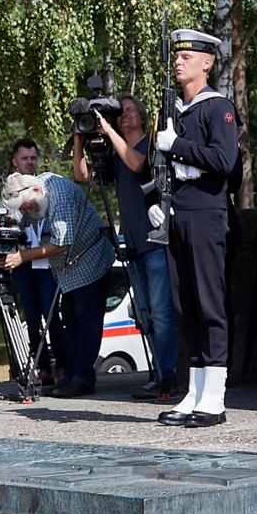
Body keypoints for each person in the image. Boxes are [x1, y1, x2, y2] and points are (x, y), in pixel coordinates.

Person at [155, 29, 241, 429]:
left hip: (207, 210)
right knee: (183, 304)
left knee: (209, 302)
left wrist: (177, 146)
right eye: (177, 56)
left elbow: (224, 161)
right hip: (178, 210)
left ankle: (215, 395)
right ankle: (194, 391)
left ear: (207, 62)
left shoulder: (217, 107)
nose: (178, 62)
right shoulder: (175, 110)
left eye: (187, 56)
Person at [72, 93, 180, 402]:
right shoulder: (116, 150)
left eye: (131, 110)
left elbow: (136, 164)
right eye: (122, 112)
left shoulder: (150, 143)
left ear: (143, 117)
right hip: (133, 245)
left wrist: (110, 133)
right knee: (143, 314)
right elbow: (82, 176)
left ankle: (167, 376)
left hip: (156, 240)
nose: (126, 115)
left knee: (161, 313)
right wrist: (80, 140)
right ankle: (157, 374)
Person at [0, 171, 114, 397]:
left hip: (91, 259)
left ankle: (83, 378)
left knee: (86, 319)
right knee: (69, 319)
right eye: (23, 208)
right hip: (69, 268)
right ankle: (70, 376)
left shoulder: (58, 195)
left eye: (27, 207)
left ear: (37, 191)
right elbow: (21, 221)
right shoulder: (34, 193)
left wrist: (23, 257)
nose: (27, 212)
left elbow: (63, 243)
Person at [7, 138, 58, 380]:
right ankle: (43, 368)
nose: (29, 163)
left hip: (46, 261)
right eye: (24, 158)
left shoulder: (45, 185)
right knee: (32, 317)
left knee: (51, 316)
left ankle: (62, 367)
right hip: (22, 263)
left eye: (33, 158)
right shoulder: (10, 189)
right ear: (15, 161)